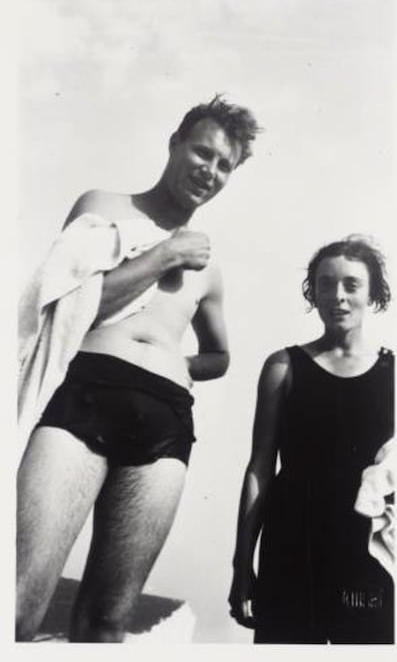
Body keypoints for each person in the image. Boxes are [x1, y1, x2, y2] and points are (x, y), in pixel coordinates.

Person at [16, 96, 260, 642]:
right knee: (16, 606)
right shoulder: (104, 206)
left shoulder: (212, 269)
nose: (210, 171)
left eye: (225, 165)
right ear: (175, 142)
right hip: (86, 395)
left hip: (166, 419)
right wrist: (166, 256)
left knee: (107, 624)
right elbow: (71, 307)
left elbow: (221, 356)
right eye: (203, 152)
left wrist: (178, 361)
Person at [229, 236, 394, 644]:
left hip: (367, 553)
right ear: (313, 292)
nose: (337, 296)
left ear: (372, 293)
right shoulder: (283, 367)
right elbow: (260, 469)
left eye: (351, 285)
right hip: (291, 546)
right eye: (325, 284)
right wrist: (241, 567)